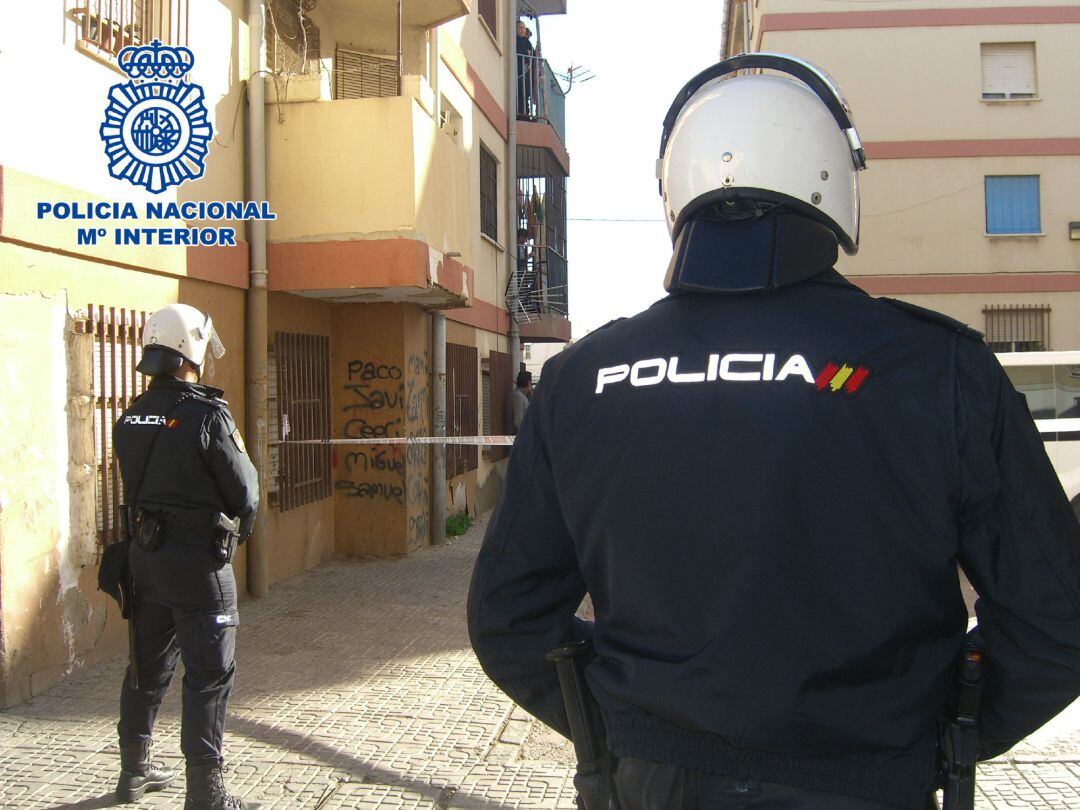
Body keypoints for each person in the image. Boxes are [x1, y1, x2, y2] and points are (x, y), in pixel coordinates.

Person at [468, 54, 1080, 809]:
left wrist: (627, 724)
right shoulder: (940, 371)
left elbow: (507, 618)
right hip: (871, 782)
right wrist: (938, 733)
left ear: (676, 186)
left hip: (652, 784)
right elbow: (1057, 623)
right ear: (833, 179)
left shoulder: (580, 380)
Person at [112, 303, 261, 809]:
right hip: (198, 565)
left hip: (144, 560)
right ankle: (206, 791)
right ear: (191, 350)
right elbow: (246, 493)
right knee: (209, 674)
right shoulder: (208, 415)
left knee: (145, 667)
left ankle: (134, 771)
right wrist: (232, 541)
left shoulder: (130, 415)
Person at [516, 19, 536, 118]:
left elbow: (533, 54)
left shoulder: (527, 42)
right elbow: (519, 53)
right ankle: (520, 114)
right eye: (520, 28)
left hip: (526, 74)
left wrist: (528, 53)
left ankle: (526, 115)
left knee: (526, 94)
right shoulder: (515, 40)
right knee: (519, 94)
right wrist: (526, 53)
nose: (522, 30)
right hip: (518, 72)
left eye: (523, 28)